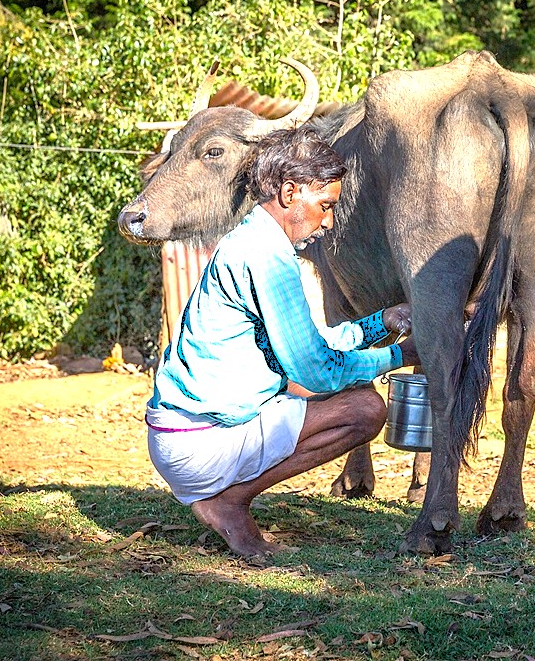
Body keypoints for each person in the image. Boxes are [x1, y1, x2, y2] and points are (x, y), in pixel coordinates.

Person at [145, 125, 419, 559]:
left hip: (183, 432)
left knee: (352, 389)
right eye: (325, 206)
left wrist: (378, 321)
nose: (328, 222)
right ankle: (228, 502)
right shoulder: (266, 257)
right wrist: (399, 355)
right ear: (291, 193)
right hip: (199, 443)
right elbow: (315, 370)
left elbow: (308, 343)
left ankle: (223, 495)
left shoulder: (253, 241)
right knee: (365, 409)